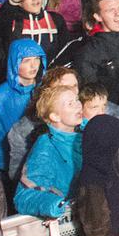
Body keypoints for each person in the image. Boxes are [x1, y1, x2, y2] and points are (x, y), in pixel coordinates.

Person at [15, 83, 85, 218]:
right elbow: (23, 197)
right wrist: (57, 205)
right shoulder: (46, 147)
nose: (78, 105)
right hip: (69, 217)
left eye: (77, 99)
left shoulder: (86, 131)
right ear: (55, 116)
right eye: (70, 104)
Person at [0, 38, 46, 172]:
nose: (34, 65)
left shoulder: (45, 89)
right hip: (10, 161)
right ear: (14, 62)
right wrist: (5, 167)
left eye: (37, 59)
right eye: (26, 61)